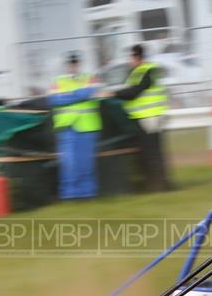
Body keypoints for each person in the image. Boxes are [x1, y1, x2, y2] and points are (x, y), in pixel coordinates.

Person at [101, 44, 173, 192]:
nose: (130, 61)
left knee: (153, 153)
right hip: (144, 117)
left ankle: (159, 185)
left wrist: (112, 94)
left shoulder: (149, 71)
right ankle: (156, 184)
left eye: (131, 57)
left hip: (150, 117)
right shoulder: (138, 71)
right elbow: (130, 91)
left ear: (137, 57)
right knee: (150, 153)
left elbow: (134, 92)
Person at [47, 51, 102, 200]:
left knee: (86, 163)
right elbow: (55, 100)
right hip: (67, 126)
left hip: (87, 126)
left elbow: (93, 92)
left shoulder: (91, 78)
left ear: (79, 64)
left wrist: (70, 96)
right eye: (71, 63)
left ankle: (88, 193)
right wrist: (80, 94)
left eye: (75, 63)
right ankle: (70, 194)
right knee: (69, 163)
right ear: (66, 65)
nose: (73, 66)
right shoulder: (58, 80)